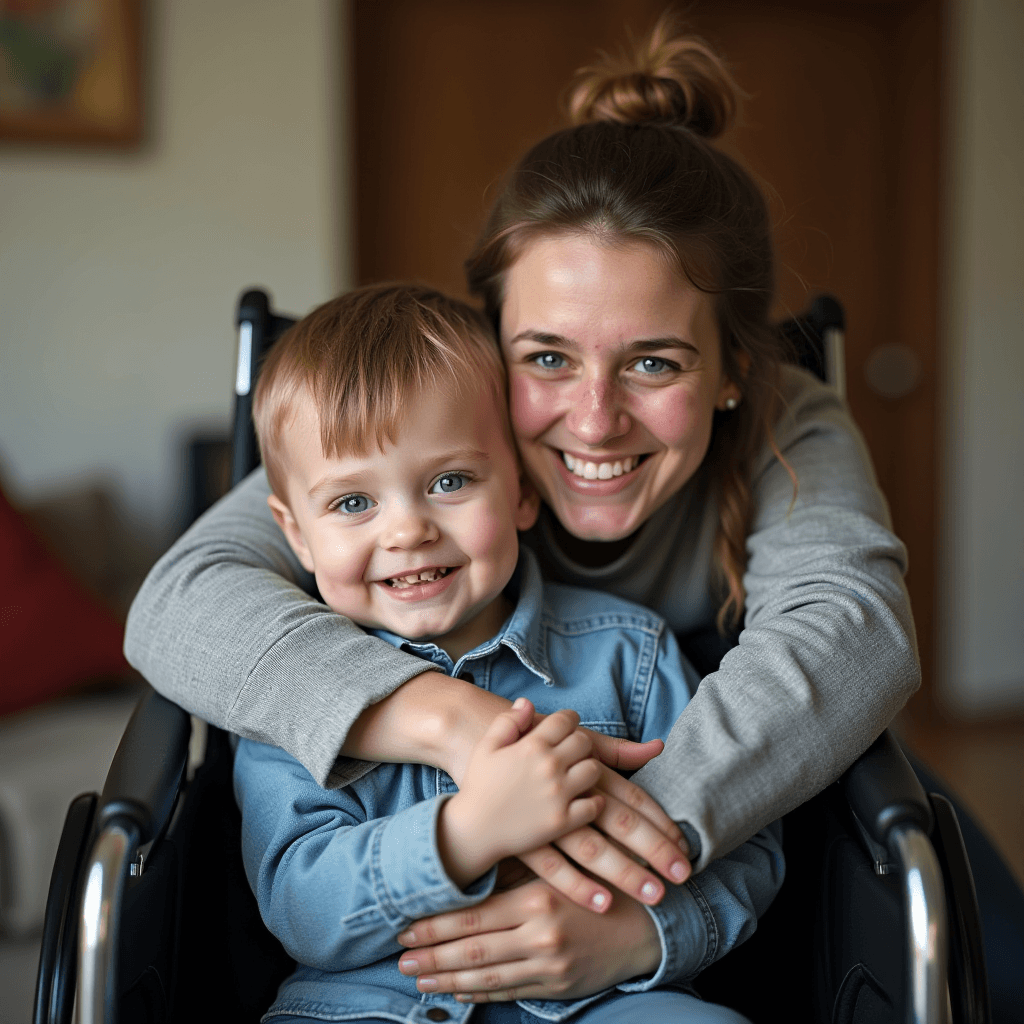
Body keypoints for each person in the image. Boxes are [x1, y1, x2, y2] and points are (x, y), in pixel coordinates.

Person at [124, 17, 918, 1002]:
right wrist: (453, 725)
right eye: (545, 355)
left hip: (729, 788)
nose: (592, 418)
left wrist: (611, 876)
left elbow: (855, 630)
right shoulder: (423, 430)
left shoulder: (784, 423)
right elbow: (183, 600)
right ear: (485, 338)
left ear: (730, 371)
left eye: (654, 361)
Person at [238, 282, 782, 1024]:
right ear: (295, 534)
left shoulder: (631, 652)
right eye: (353, 503)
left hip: (602, 997)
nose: (406, 532)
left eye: (450, 482)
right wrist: (467, 834)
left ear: (522, 492)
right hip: (369, 1005)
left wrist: (652, 937)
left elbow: (745, 846)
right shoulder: (288, 682)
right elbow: (301, 906)